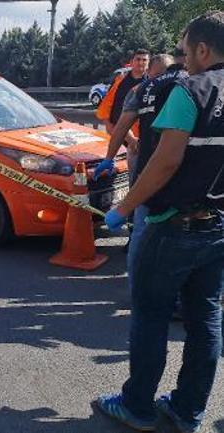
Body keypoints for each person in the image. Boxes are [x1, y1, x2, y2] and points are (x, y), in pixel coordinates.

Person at [96, 11, 224, 433]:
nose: (183, 60)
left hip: (174, 225)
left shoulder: (190, 91)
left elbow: (165, 163)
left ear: (203, 49)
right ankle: (188, 410)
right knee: (205, 318)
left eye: (186, 51)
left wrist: (124, 208)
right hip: (219, 226)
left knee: (150, 315)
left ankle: (138, 407)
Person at [94, 53, 183, 290]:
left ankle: (137, 289)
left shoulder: (142, 90)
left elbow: (120, 126)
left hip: (148, 170)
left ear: (151, 71)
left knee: (142, 233)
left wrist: (109, 159)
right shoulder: (190, 86)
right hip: (182, 175)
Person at [97, 49, 151, 175]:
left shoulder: (151, 83)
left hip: (138, 139)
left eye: (144, 60)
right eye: (138, 59)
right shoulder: (120, 80)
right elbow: (107, 102)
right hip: (117, 134)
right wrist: (107, 123)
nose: (141, 63)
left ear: (148, 63)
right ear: (132, 62)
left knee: (135, 173)